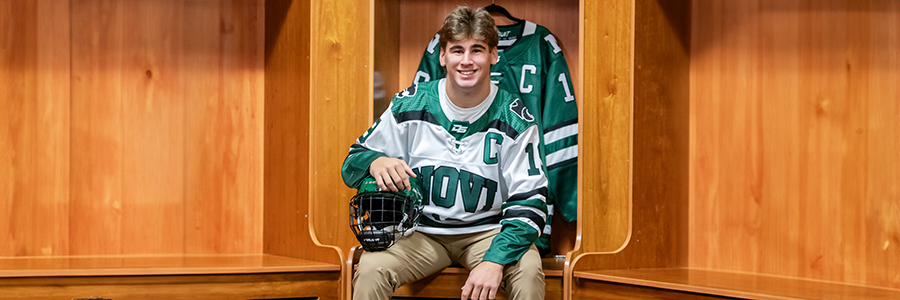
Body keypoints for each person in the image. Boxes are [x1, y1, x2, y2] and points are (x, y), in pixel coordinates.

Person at [341, 6, 548, 300]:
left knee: (527, 271)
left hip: (488, 234)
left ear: (493, 55)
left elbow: (532, 203)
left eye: (477, 50)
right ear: (442, 56)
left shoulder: (516, 117)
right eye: (456, 50)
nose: (466, 61)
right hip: (418, 232)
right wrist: (376, 160)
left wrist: (494, 260)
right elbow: (351, 163)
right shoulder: (410, 104)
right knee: (372, 268)